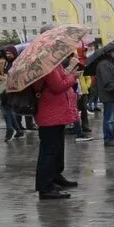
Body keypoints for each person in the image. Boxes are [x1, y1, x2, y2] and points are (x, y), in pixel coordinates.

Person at [34, 55, 82, 200]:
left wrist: (71, 72)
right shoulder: (48, 65)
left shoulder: (54, 64)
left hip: (56, 113)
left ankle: (55, 177)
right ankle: (45, 187)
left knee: (56, 149)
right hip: (50, 114)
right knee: (49, 152)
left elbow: (61, 79)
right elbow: (58, 86)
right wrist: (73, 76)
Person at [95, 51, 114, 148]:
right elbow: (107, 80)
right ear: (109, 53)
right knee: (109, 119)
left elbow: (111, 77)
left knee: (111, 118)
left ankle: (111, 137)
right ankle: (109, 139)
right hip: (109, 96)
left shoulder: (109, 63)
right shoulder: (104, 64)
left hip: (112, 96)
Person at [0, 47, 25, 141]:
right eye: (7, 53)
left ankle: (10, 129)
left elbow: (21, 76)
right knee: (7, 110)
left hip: (13, 90)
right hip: (4, 89)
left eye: (10, 53)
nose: (8, 55)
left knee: (6, 110)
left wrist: (9, 78)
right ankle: (18, 130)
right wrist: (1, 77)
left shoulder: (18, 63)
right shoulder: (4, 63)